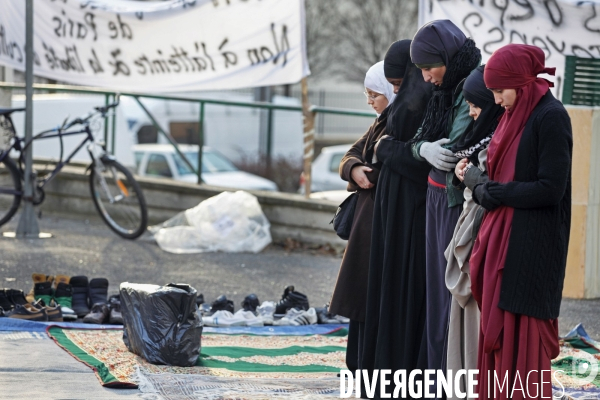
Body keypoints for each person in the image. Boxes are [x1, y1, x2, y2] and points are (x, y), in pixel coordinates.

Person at [470, 44, 572, 399]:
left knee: (522, 339)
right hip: (506, 241)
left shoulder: (551, 116)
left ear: (521, 83)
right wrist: (485, 187)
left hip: (532, 248)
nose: (496, 100)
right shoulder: (517, 113)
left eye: (500, 91)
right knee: (501, 340)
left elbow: (550, 189)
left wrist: (494, 192)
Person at [408, 19, 481, 385]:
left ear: (447, 59)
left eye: (428, 67)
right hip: (436, 197)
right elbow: (420, 138)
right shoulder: (444, 89)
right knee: (436, 291)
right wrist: (424, 149)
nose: (425, 78)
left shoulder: (471, 86)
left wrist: (428, 149)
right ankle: (438, 374)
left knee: (450, 292)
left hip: (453, 201)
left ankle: (450, 377)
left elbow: (455, 148)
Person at [359, 39, 433, 397]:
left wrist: (387, 148)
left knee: (406, 296)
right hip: (394, 218)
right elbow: (366, 147)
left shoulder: (424, 105)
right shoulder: (403, 109)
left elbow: (420, 164)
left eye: (399, 86)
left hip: (414, 220)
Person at [329, 60, 395, 372]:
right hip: (366, 224)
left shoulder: (398, 120)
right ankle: (359, 364)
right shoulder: (380, 122)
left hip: (381, 224)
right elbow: (350, 155)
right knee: (361, 300)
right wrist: (354, 169)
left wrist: (363, 170)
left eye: (375, 95)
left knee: (372, 300)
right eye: (366, 95)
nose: (370, 101)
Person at [443, 65, 503, 398]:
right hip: (470, 235)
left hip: (482, 242)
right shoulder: (478, 136)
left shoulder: (500, 138)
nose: (471, 111)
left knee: (477, 325)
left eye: (476, 102)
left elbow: (494, 187)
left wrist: (470, 177)